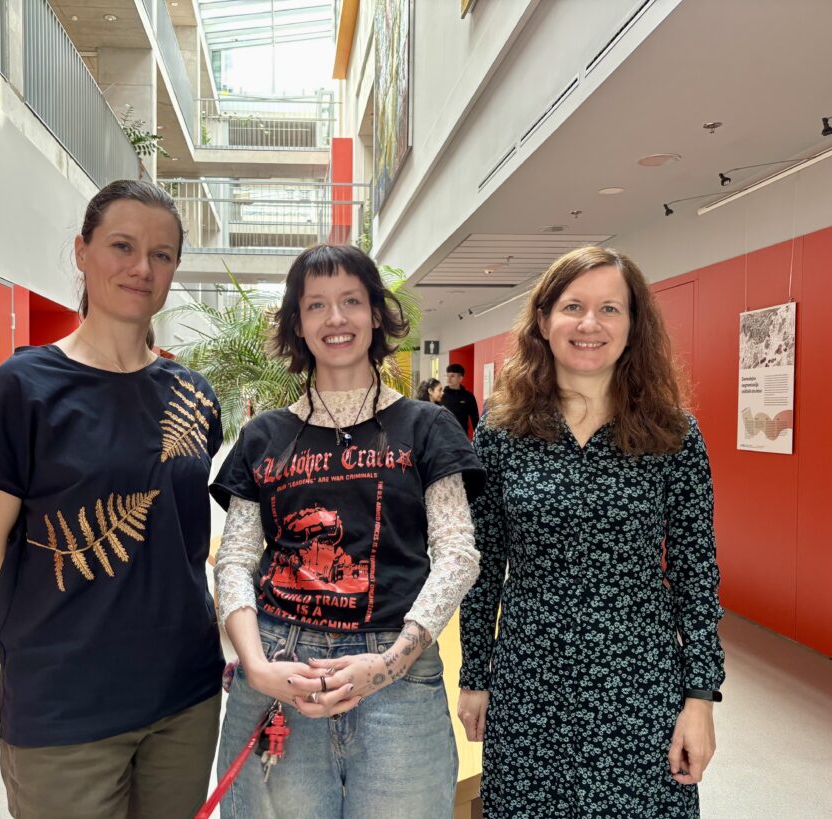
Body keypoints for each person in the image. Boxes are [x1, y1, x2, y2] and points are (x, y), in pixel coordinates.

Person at [0, 180, 224, 819]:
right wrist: (35, 652)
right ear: (81, 251)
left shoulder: (194, 395)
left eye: (161, 255)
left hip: (183, 696)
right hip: (65, 706)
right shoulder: (22, 389)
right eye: (122, 246)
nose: (141, 268)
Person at [210, 243, 485, 819]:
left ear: (377, 315)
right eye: (316, 305)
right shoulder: (263, 436)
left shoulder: (427, 426)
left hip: (398, 675)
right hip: (281, 666)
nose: (336, 319)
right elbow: (235, 558)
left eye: (351, 302)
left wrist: (390, 662)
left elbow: (458, 553)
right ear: (297, 324)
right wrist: (255, 667)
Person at [457, 246, 724, 818]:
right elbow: (482, 566)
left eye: (610, 309)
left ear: (633, 326)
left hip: (640, 681)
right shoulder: (503, 430)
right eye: (573, 306)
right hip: (531, 681)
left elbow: (697, 572)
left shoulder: (672, 433)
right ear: (544, 321)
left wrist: (700, 698)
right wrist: (474, 675)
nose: (589, 324)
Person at [441, 363, 480, 436]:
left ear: (460, 378)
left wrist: (478, 437)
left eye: (452, 376)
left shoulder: (468, 396)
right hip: (443, 436)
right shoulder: (441, 396)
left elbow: (475, 419)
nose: (448, 379)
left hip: (462, 436)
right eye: (447, 376)